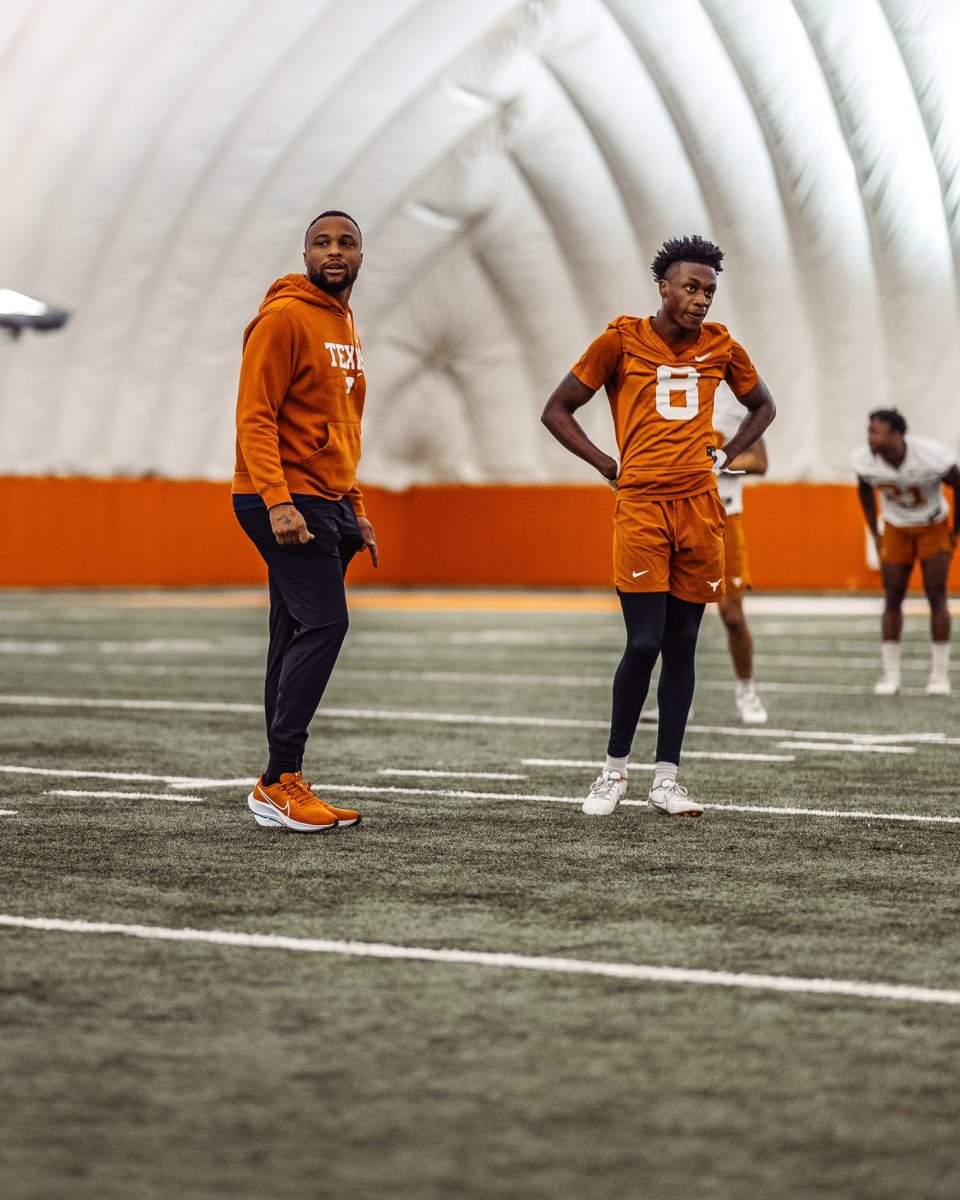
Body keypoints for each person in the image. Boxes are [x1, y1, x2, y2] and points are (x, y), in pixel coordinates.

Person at [541, 234, 775, 818]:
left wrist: (725, 457)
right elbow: (556, 409)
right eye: (692, 287)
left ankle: (666, 779)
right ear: (664, 287)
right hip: (642, 506)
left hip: (701, 508)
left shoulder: (723, 346)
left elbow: (764, 405)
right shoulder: (620, 339)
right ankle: (612, 772)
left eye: (710, 291)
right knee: (643, 641)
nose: (701, 300)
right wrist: (605, 465)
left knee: (684, 644)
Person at [233, 210, 377, 832]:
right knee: (325, 622)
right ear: (306, 254)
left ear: (362, 256)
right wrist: (279, 501)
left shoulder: (343, 323)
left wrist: (357, 507)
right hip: (285, 497)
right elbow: (255, 417)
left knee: (292, 631)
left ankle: (278, 781)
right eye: (322, 242)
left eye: (346, 242)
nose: (335, 250)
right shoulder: (285, 318)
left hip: (327, 497)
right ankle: (278, 779)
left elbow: (344, 426)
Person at [853, 408, 960, 696]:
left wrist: (954, 532)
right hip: (896, 526)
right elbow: (863, 489)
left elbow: (959, 483)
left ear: (897, 434)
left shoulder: (931, 455)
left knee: (936, 595)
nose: (871, 436)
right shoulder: (864, 460)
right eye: (870, 430)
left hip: (933, 523)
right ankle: (891, 677)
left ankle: (939, 677)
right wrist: (875, 533)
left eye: (878, 430)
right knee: (892, 596)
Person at [712, 388, 769, 724]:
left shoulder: (734, 404)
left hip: (724, 516)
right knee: (672, 621)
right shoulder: (668, 392)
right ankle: (672, 699)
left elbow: (759, 461)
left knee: (732, 615)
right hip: (681, 515)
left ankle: (747, 691)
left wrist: (717, 460)